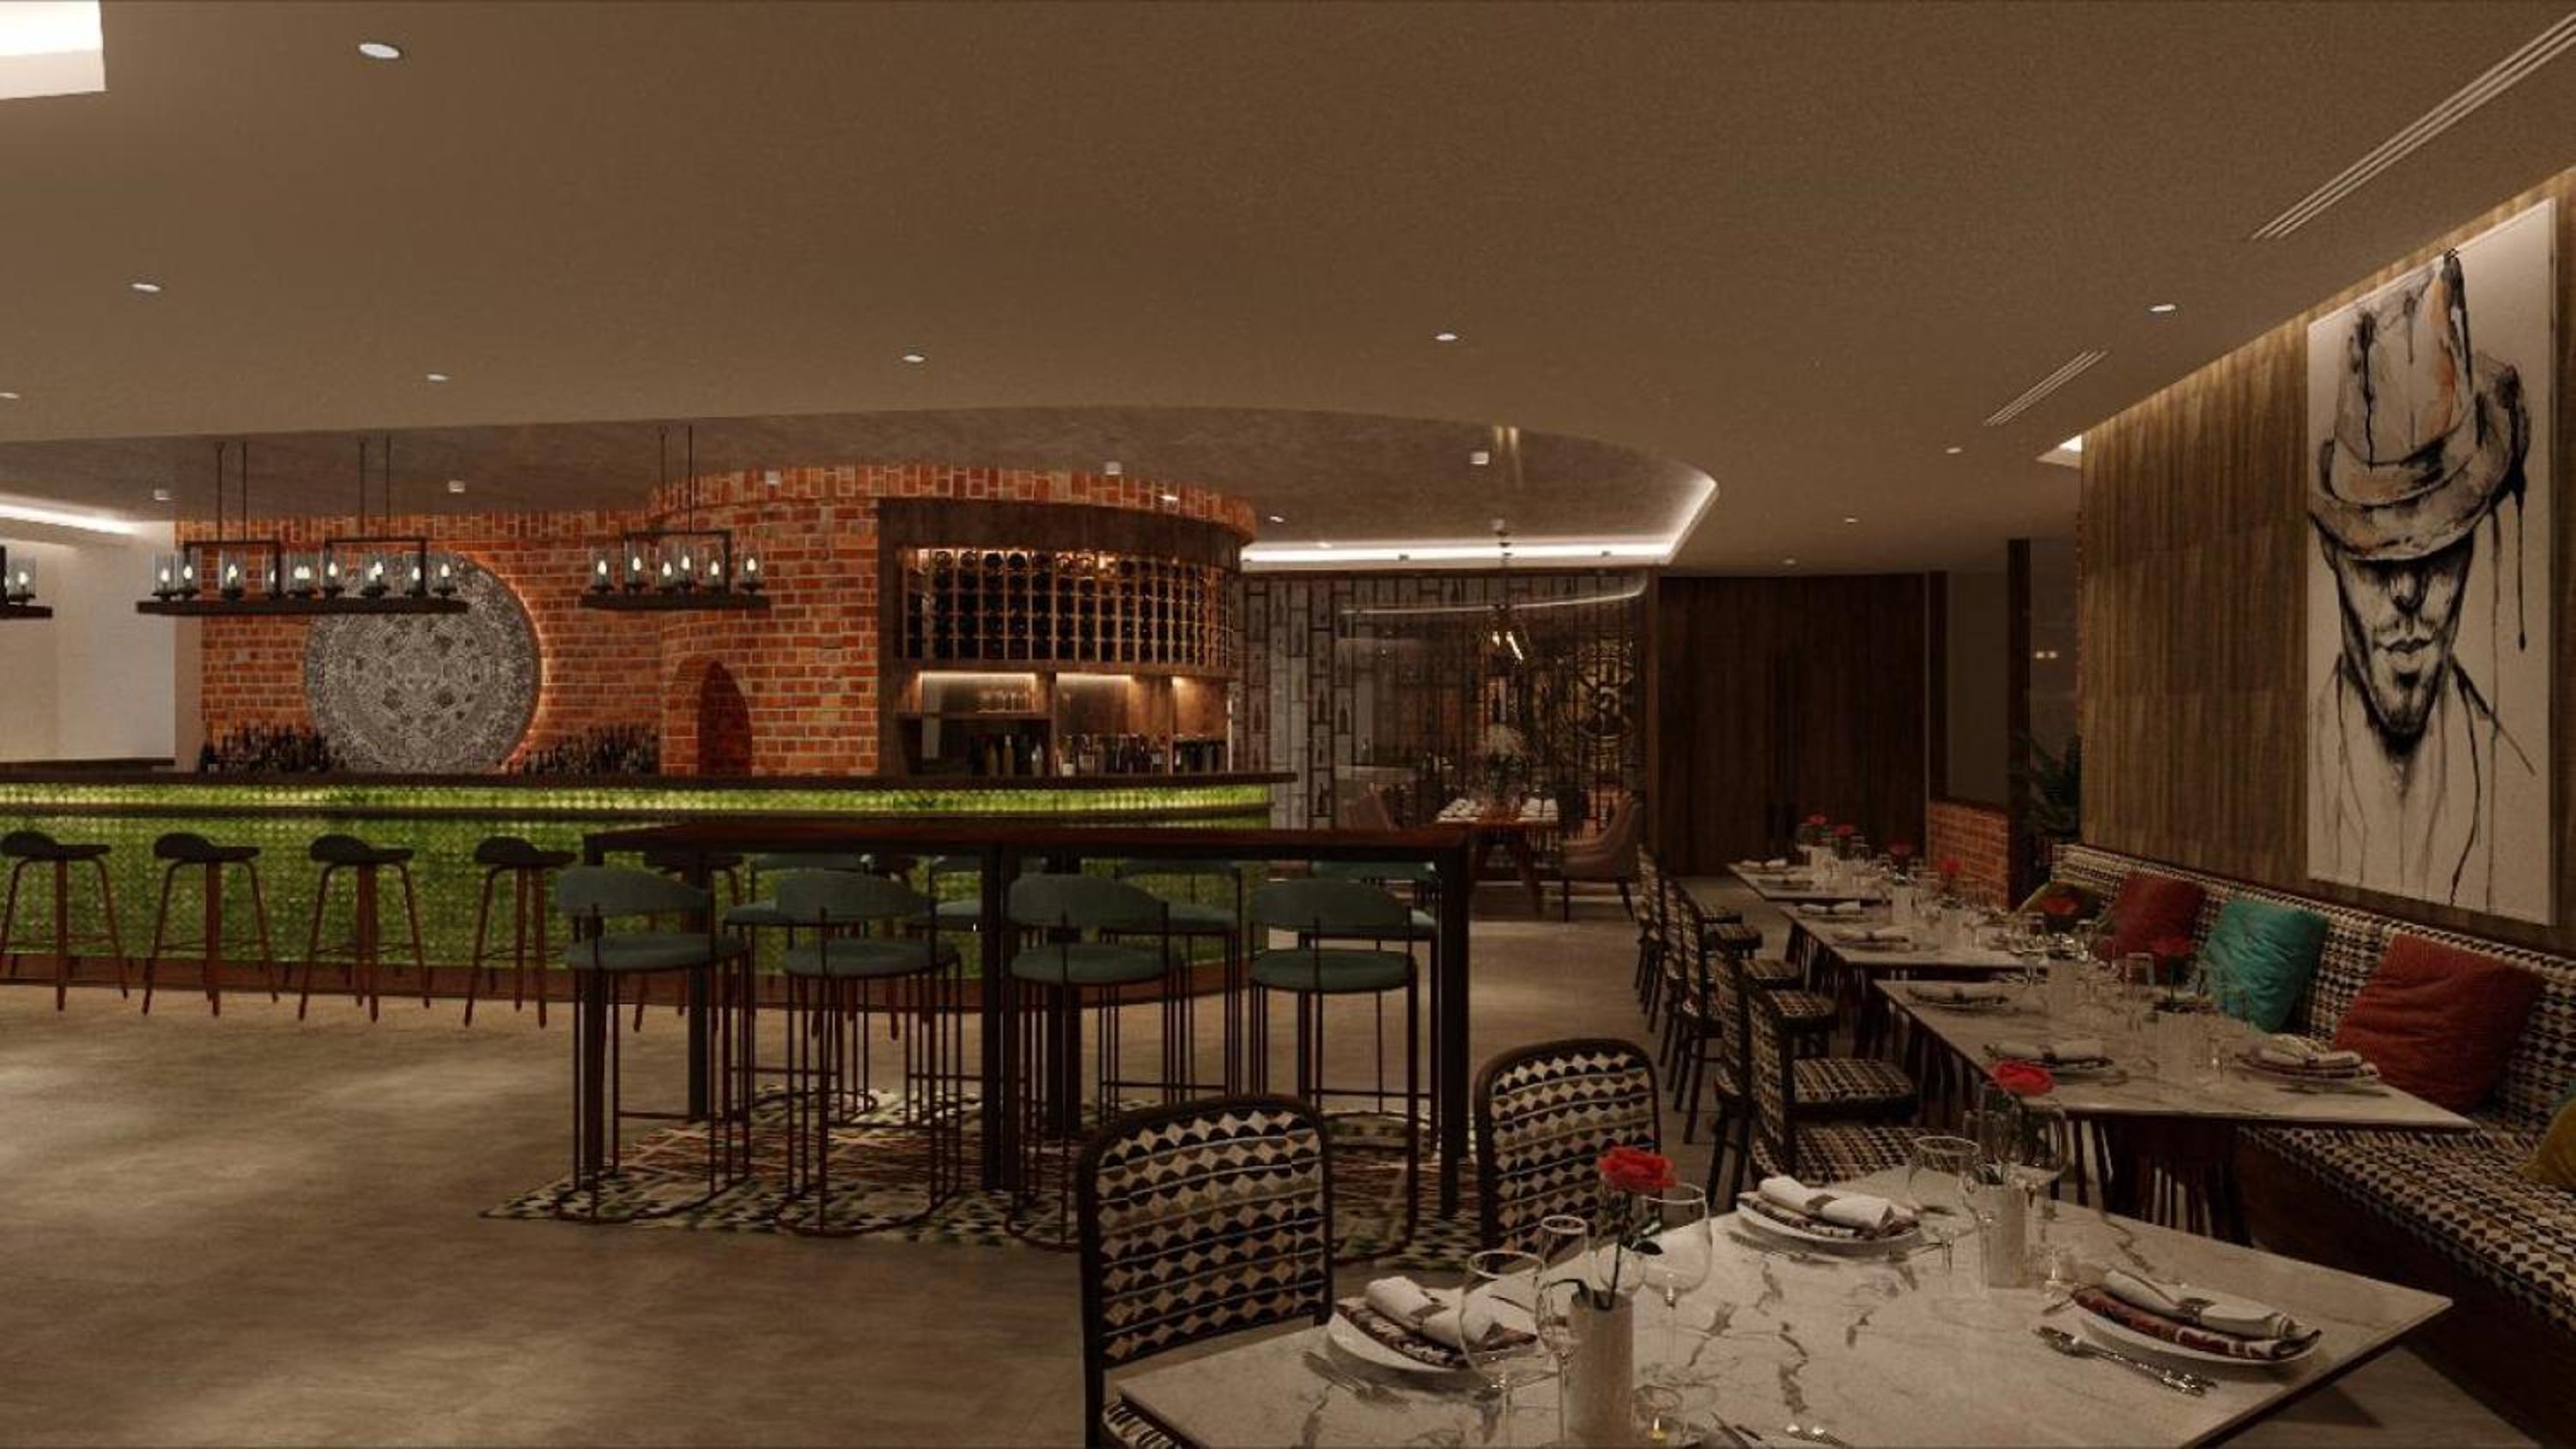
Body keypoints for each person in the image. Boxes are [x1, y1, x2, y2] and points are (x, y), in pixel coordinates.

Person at [2308, 249, 2536, 912]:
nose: (2406, 594)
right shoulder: (2284, 773)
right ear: (2332, 557)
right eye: (2376, 561)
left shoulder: (2512, 782)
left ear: (2470, 556)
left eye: (2437, 553)